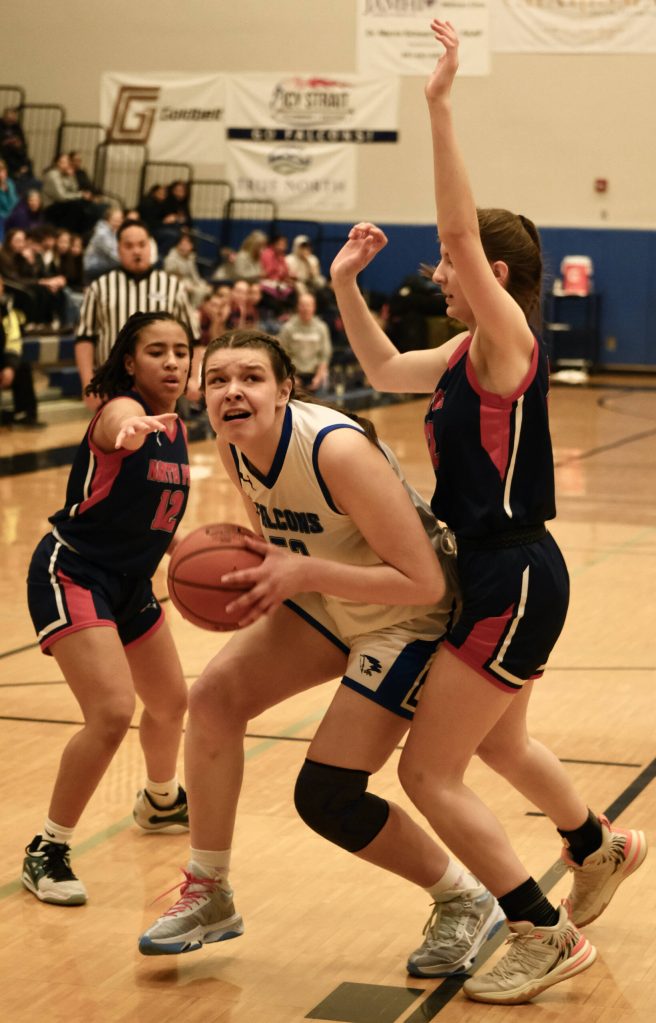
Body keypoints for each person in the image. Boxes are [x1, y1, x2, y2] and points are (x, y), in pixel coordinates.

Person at [328, 21, 647, 1005]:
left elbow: (461, 233)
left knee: (430, 775)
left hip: (510, 572)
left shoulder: (507, 341)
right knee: (499, 745)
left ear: (493, 277)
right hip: (493, 572)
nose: (438, 272)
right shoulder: (461, 355)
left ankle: (541, 931)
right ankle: (594, 846)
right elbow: (380, 369)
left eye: (452, 266)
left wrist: (435, 105)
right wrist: (343, 283)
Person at [138, 329, 505, 975]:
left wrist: (300, 575)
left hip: (409, 619)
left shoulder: (335, 449)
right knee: (215, 697)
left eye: (250, 377)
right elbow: (279, 542)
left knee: (326, 794)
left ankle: (466, 897)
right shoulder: (234, 445)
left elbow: (427, 582)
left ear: (284, 389)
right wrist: (254, 583)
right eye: (217, 379)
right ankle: (210, 889)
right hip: (331, 600)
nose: (231, 390)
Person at [22, 310, 194, 905]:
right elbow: (119, 425)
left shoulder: (175, 428)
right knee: (113, 712)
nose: (172, 362)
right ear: (129, 362)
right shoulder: (121, 414)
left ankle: (161, 799)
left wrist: (192, 551)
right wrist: (127, 429)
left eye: (181, 351)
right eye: (157, 352)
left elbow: (151, 513)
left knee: (171, 702)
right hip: (73, 571)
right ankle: (48, 847)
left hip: (130, 582)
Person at [75, 219, 196, 409]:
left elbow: (193, 338)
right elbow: (85, 338)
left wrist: (195, 377)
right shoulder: (100, 287)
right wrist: (87, 384)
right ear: (118, 249)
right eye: (129, 246)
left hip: (162, 384)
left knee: (162, 437)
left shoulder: (173, 287)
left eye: (142, 244)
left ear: (151, 246)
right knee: (120, 436)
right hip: (113, 385)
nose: (137, 251)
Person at [0, 274, 43, 428]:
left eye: (2, 286)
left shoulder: (7, 312)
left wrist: (9, 366)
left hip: (2, 360)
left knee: (22, 367)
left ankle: (25, 414)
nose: (1, 289)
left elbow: (13, 342)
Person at [278, 291, 332, 393]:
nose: (305, 309)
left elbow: (324, 355)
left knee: (324, 382)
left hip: (315, 374)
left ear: (314, 307)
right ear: (298, 307)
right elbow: (282, 355)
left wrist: (318, 377)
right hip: (295, 375)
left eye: (308, 305)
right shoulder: (288, 328)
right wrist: (291, 377)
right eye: (302, 305)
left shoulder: (321, 328)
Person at [82, 205, 123, 282]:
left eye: (120, 220)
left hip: (105, 265)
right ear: (108, 219)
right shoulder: (102, 233)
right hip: (93, 267)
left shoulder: (113, 231)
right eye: (116, 220)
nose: (119, 223)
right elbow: (113, 255)